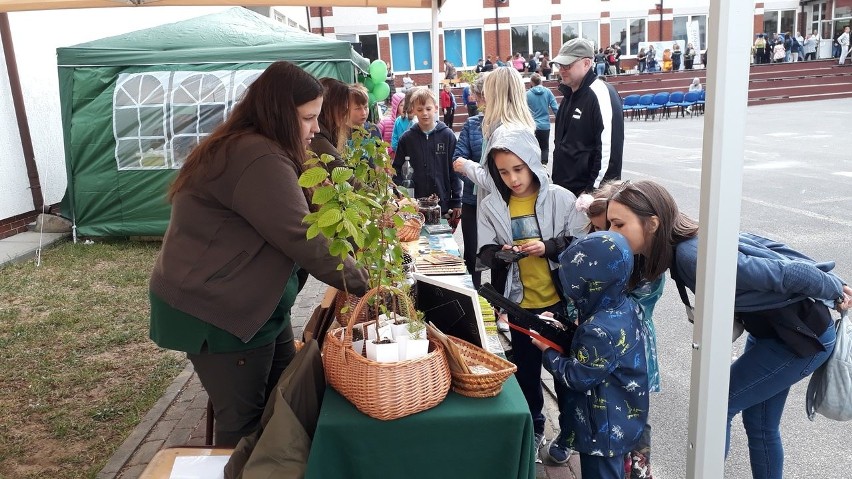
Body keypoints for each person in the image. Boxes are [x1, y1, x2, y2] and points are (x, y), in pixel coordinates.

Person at [148, 61, 369, 447]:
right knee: (244, 428)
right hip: (219, 311)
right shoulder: (256, 155)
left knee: (283, 404)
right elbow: (301, 234)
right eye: (308, 118)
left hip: (256, 307)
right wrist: (367, 284)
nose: (316, 129)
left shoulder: (260, 146)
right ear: (279, 113)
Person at [605, 180, 852, 479]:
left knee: (719, 407)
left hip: (800, 338)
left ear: (653, 223)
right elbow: (769, 248)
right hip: (772, 334)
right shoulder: (686, 243)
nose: (611, 233)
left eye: (618, 224)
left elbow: (785, 271)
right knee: (760, 423)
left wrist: (836, 289)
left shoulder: (690, 255)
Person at [471, 126, 587, 464]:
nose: (512, 178)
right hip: (519, 306)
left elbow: (581, 246)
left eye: (518, 169)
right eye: (503, 171)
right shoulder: (491, 205)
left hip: (558, 305)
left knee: (565, 374)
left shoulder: (562, 199)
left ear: (533, 162)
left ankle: (569, 432)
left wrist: (548, 247)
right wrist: (501, 253)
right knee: (525, 372)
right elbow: (483, 252)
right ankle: (534, 428)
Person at [532, 231, 648, 478]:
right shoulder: (620, 306)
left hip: (601, 430)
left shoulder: (598, 329)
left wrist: (547, 350)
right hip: (621, 418)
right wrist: (566, 327)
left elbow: (577, 376)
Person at [576, 182, 665, 478]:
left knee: (635, 413)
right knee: (605, 405)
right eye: (603, 230)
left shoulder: (645, 262)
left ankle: (638, 468)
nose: (611, 237)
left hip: (631, 351)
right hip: (605, 349)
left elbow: (636, 307)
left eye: (617, 226)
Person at [550, 38, 624, 197]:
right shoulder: (569, 95)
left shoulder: (600, 94)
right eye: (560, 65)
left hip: (589, 196)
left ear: (586, 64)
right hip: (565, 192)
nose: (562, 70)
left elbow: (608, 150)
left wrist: (592, 193)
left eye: (567, 65)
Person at [392, 87, 461, 218]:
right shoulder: (407, 139)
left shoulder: (447, 136)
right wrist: (399, 196)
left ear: (435, 108)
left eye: (428, 109)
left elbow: (455, 170)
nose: (424, 113)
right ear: (413, 110)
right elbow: (397, 170)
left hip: (442, 205)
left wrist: (457, 200)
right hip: (415, 205)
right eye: (420, 109)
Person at [452, 73, 487, 288]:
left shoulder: (508, 125)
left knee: (502, 258)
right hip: (472, 201)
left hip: (500, 204)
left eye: (480, 94)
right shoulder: (472, 124)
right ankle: (473, 298)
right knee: (472, 255)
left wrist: (471, 168)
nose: (477, 99)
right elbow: (457, 160)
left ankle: (500, 310)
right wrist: (478, 174)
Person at [526, 73, 558, 165]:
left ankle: (534, 167)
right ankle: (544, 166)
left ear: (531, 82)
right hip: (545, 125)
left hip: (532, 126)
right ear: (541, 81)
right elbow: (555, 108)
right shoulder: (548, 92)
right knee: (544, 147)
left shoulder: (527, 94)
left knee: (532, 147)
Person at [377, 92, 405, 158]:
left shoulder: (410, 123)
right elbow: (376, 139)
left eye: (406, 105)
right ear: (396, 106)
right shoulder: (384, 123)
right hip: (387, 160)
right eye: (402, 105)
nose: (404, 108)